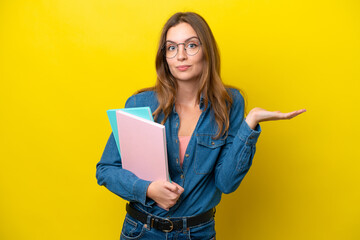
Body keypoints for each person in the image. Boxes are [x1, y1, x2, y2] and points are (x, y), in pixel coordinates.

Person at [96, 12, 306, 240]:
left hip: (197, 233)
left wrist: (250, 124)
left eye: (191, 45)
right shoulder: (140, 104)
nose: (181, 56)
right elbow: (106, 169)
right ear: (164, 56)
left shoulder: (230, 104)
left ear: (207, 51)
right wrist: (147, 189)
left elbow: (226, 183)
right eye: (172, 48)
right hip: (141, 231)